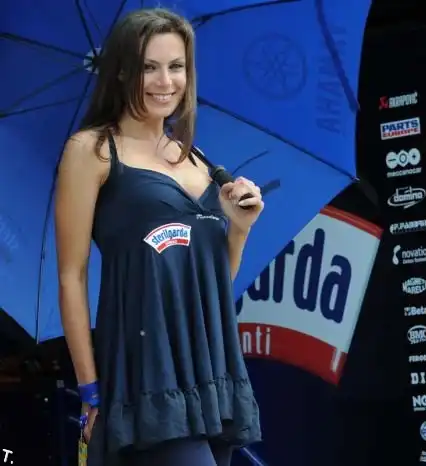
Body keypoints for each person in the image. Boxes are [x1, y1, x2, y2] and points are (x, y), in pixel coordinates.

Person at [54, 8, 262, 466]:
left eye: (176, 66)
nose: (165, 81)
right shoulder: (92, 150)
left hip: (212, 372)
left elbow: (211, 285)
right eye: (149, 67)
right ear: (122, 71)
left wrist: (239, 229)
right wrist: (90, 391)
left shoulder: (198, 158)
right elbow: (71, 276)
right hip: (146, 375)